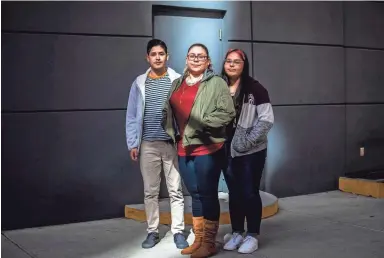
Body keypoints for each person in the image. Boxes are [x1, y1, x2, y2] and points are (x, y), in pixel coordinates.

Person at [162, 43, 235, 258]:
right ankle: (200, 239)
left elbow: (227, 112)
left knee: (207, 193)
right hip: (184, 148)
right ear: (186, 59)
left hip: (207, 147)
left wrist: (201, 123)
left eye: (201, 56)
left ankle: (210, 243)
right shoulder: (177, 84)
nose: (196, 59)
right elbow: (170, 112)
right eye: (192, 55)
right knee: (194, 194)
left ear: (208, 61)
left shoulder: (217, 83)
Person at [125, 39, 188, 250]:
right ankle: (152, 231)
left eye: (161, 53)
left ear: (167, 56)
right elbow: (132, 116)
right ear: (148, 57)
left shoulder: (177, 79)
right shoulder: (139, 82)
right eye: (154, 54)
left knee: (176, 191)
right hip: (147, 145)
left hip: (171, 143)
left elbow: (185, 112)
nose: (158, 57)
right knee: (150, 192)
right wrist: (133, 143)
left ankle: (178, 230)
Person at [221, 49, 274, 254]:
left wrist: (247, 143)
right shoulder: (220, 86)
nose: (232, 65)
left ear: (244, 65)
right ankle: (236, 233)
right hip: (226, 150)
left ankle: (252, 235)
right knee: (233, 193)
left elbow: (267, 120)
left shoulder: (255, 89)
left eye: (237, 61)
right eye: (228, 61)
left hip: (251, 152)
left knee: (250, 192)